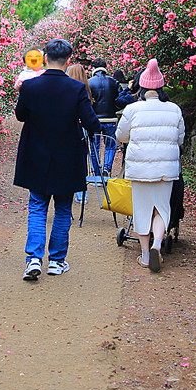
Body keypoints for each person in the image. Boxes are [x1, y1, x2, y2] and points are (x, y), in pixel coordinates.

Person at [14, 39, 101, 281]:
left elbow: (20, 115)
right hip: (67, 157)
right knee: (63, 210)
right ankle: (56, 261)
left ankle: (33, 258)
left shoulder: (30, 87)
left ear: (45, 58)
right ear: (68, 60)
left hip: (36, 156)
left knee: (37, 207)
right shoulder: (76, 89)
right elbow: (91, 122)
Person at [116, 59, 184, 273]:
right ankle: (157, 246)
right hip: (167, 170)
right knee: (162, 209)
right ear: (161, 87)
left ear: (142, 86)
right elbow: (180, 139)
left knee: (142, 210)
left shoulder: (132, 109)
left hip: (140, 170)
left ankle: (145, 256)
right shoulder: (174, 109)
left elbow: (121, 136)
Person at [67, 64, 94, 204]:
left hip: (68, 128)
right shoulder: (85, 88)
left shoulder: (67, 88)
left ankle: (67, 190)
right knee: (82, 160)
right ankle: (81, 194)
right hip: (82, 128)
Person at [87, 58, 119, 176]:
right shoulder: (113, 82)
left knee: (94, 148)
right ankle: (107, 168)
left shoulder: (89, 82)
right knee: (110, 145)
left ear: (94, 68)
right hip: (110, 119)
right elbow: (119, 100)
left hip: (94, 120)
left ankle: (97, 173)